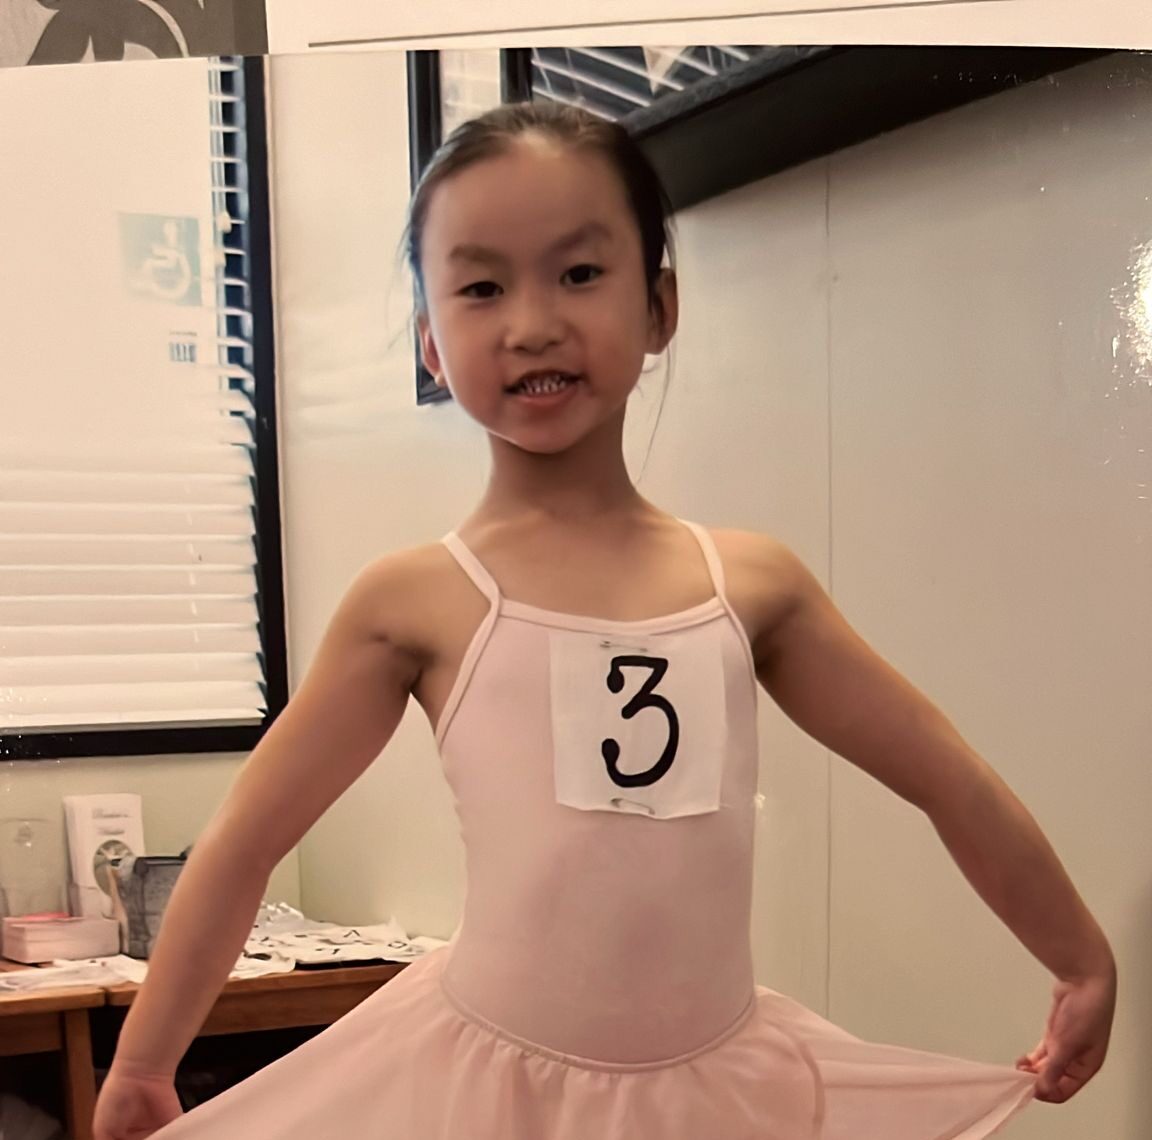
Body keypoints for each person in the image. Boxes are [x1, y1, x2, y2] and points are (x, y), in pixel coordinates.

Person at [92, 101, 1116, 1140]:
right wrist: (143, 1061)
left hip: (721, 1095)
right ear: (432, 343)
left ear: (659, 305)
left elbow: (946, 776)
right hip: (486, 1092)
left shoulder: (754, 587)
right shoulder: (409, 603)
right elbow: (245, 841)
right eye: (482, 287)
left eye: (579, 273)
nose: (533, 322)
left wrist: (1079, 957)